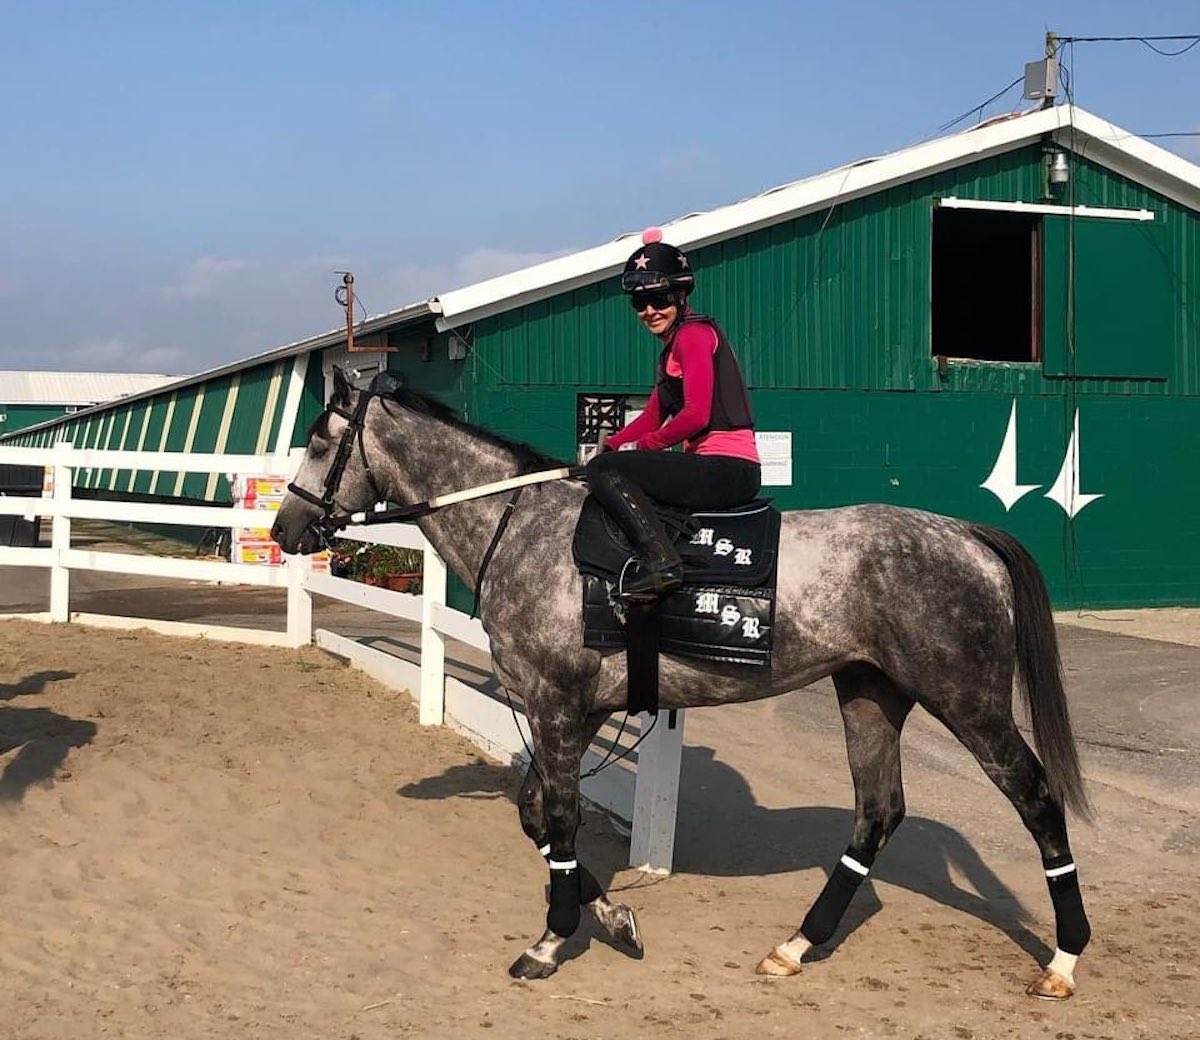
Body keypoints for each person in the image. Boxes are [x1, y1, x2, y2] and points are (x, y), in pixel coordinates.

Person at [586, 227, 761, 600]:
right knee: (604, 464)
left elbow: (696, 415)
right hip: (709, 466)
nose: (649, 310)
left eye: (659, 299)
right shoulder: (670, 351)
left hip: (729, 469)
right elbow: (652, 416)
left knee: (607, 472)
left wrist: (638, 450)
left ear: (681, 296)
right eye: (639, 303)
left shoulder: (693, 336)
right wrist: (612, 444)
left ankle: (660, 563)